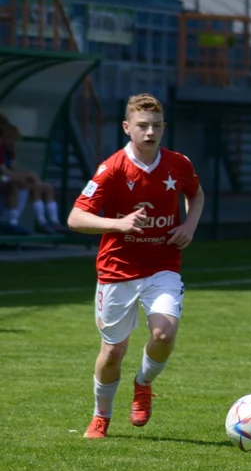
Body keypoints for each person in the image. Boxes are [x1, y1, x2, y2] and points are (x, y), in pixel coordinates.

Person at [67, 93, 204, 439]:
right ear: (127, 127)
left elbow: (196, 194)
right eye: (142, 126)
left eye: (156, 126)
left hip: (163, 264)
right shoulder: (112, 168)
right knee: (113, 351)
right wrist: (119, 224)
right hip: (117, 270)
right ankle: (101, 416)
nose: (150, 132)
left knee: (163, 333)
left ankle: (143, 384)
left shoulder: (178, 164)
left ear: (164, 128)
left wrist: (189, 225)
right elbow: (75, 218)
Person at [0, 124, 64, 234]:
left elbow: (14, 169)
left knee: (46, 187)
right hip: (3, 179)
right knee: (17, 183)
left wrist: (30, 177)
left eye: (15, 140)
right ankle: (11, 222)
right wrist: (29, 175)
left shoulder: (10, 151)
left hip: (6, 178)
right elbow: (4, 171)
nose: (13, 143)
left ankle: (49, 222)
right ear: (4, 138)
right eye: (10, 139)